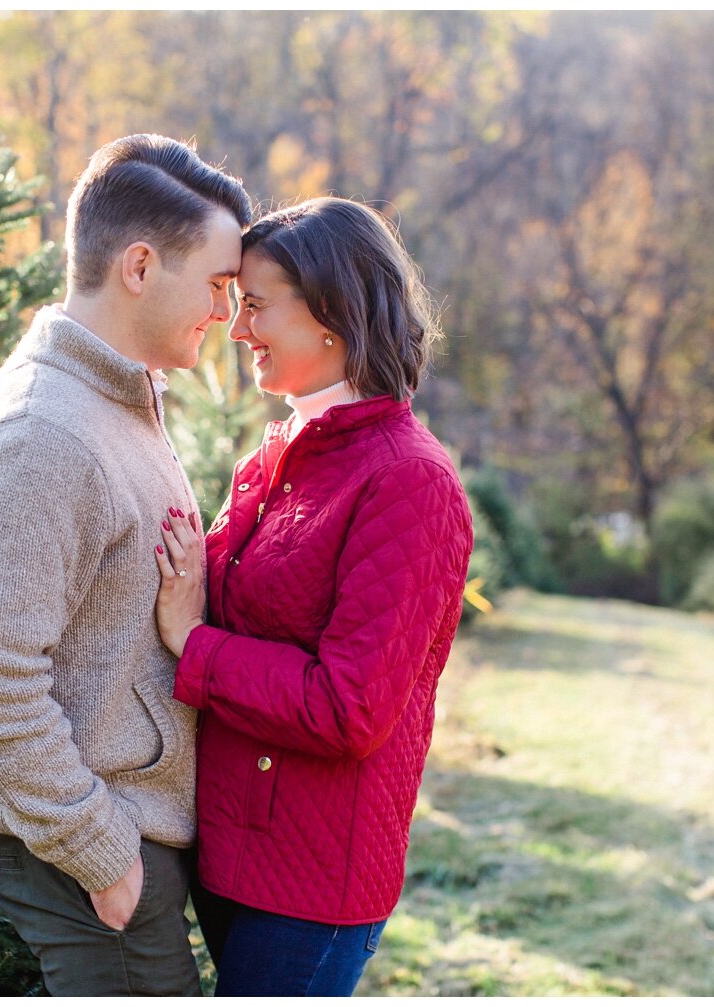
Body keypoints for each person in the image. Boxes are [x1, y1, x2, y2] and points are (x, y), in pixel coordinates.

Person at [0, 133, 250, 995]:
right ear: (139, 266)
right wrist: (104, 857)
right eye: (218, 284)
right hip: (90, 851)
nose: (227, 313)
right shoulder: (44, 436)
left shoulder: (115, 397)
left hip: (124, 833)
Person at [152, 197, 474, 996]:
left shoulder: (410, 482)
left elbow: (348, 707)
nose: (237, 329)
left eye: (256, 305)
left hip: (311, 885)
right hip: (230, 849)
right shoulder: (278, 454)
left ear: (331, 312)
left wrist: (195, 644)